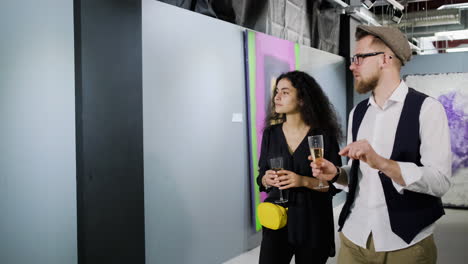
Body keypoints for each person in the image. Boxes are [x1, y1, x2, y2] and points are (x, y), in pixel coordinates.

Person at [311, 25, 452, 264]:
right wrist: (336, 174)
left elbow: (440, 181)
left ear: (385, 59)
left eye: (358, 58)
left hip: (405, 245)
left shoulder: (427, 109)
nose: (351, 65)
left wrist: (383, 163)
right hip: (353, 238)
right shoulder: (358, 113)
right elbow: (359, 175)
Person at [257, 70, 343, 264]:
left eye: (285, 92)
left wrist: (303, 181)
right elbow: (261, 175)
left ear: (303, 99)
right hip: (277, 220)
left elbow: (330, 186)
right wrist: (265, 179)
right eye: (277, 91)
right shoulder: (271, 134)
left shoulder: (323, 136)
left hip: (313, 224)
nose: (277, 97)